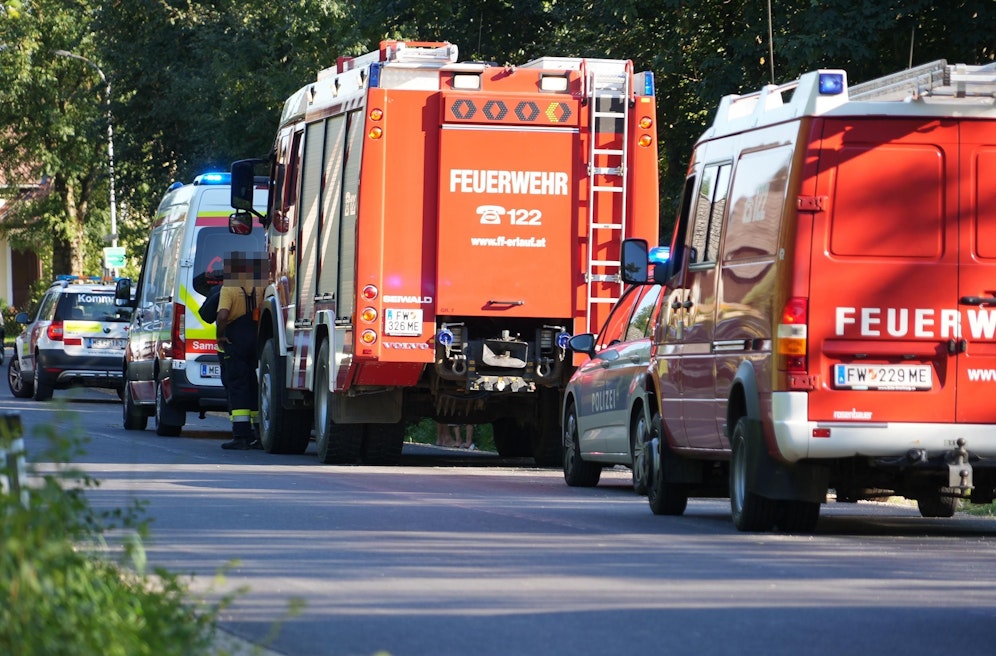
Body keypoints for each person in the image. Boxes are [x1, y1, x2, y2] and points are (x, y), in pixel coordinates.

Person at [217, 252, 265, 450]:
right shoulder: (261, 286)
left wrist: (220, 336)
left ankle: (240, 435)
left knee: (237, 385)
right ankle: (258, 433)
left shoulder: (229, 288)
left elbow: (222, 316)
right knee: (254, 384)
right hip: (256, 337)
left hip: (235, 340)